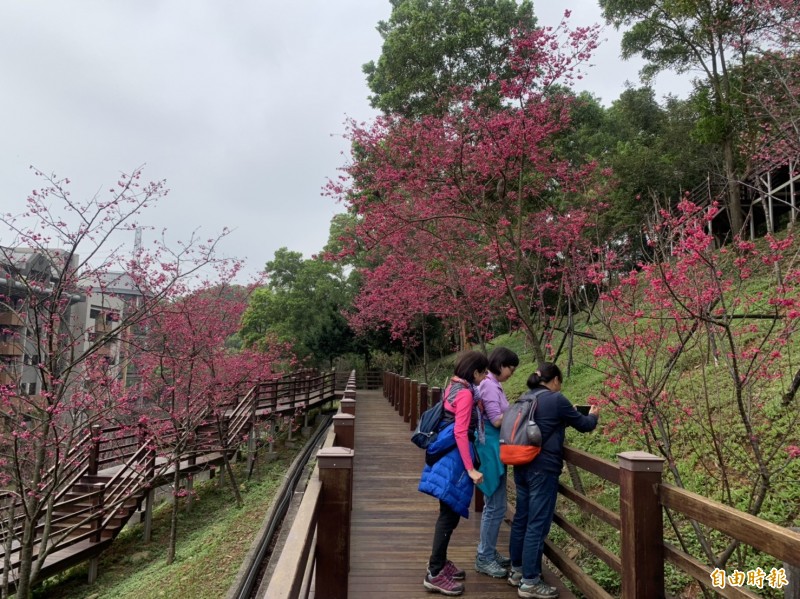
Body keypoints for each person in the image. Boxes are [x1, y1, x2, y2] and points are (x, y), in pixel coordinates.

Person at [508, 362, 600, 599]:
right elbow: (584, 425)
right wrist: (593, 415)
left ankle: (517, 571)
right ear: (555, 380)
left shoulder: (526, 397)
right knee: (537, 524)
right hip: (543, 469)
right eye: (560, 382)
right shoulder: (556, 399)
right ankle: (530, 582)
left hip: (521, 464)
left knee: (522, 518)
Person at [419, 350, 489, 596]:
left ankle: (439, 563)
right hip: (453, 460)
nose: (486, 376)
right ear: (475, 372)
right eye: (484, 372)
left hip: (446, 456)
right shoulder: (467, 394)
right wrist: (470, 469)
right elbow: (461, 432)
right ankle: (435, 572)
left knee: (448, 514)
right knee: (448, 517)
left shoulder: (454, 386)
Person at [474, 346, 519, 578]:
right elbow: (497, 420)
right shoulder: (490, 385)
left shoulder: (493, 384)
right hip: (490, 448)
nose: (512, 372)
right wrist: (520, 411)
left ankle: (488, 551)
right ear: (501, 365)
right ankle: (484, 557)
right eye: (511, 368)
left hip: (493, 447)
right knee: (495, 505)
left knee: (496, 504)